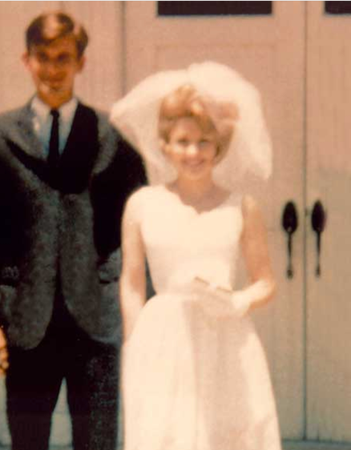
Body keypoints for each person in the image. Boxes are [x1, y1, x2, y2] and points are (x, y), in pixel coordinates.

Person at [0, 11, 146, 450]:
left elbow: (139, 226)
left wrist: (141, 311)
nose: (52, 69)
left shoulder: (111, 135)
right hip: (27, 322)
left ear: (80, 62)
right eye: (42, 58)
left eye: (63, 58)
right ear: (26, 60)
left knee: (97, 442)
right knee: (28, 440)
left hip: (95, 321)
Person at [111, 62, 282, 450]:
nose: (193, 152)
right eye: (183, 141)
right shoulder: (143, 204)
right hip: (163, 340)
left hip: (225, 339)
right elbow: (132, 282)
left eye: (204, 141)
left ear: (219, 146)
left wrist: (238, 301)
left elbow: (266, 282)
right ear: (165, 145)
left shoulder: (241, 206)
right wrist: (135, 342)